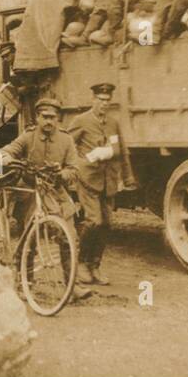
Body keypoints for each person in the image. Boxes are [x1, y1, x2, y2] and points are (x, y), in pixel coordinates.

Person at [67, 82, 136, 286]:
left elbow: (121, 150)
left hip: (109, 181)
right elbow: (67, 144)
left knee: (106, 224)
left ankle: (95, 265)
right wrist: (80, 163)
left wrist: (128, 176)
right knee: (93, 222)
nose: (104, 104)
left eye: (107, 100)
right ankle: (80, 263)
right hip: (88, 179)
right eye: (101, 100)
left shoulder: (113, 123)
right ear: (93, 100)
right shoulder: (81, 121)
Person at [0, 96, 80, 222]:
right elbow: (6, 151)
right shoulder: (28, 136)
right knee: (30, 227)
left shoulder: (66, 140)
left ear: (58, 119)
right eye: (45, 117)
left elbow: (74, 169)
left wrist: (61, 174)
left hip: (54, 188)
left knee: (67, 228)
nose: (49, 122)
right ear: (37, 118)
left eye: (52, 118)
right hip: (29, 188)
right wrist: (7, 158)